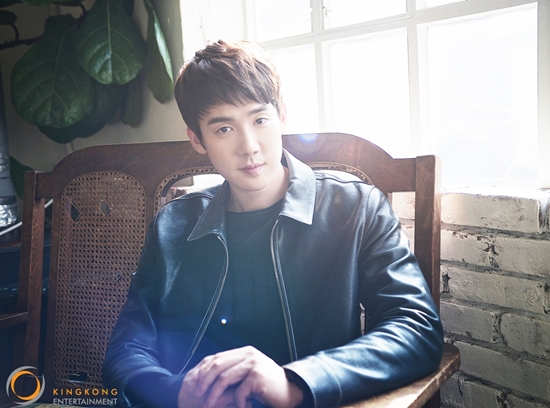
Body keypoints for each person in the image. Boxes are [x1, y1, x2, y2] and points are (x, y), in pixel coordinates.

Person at [102, 39, 443, 408]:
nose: (249, 146)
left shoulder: (356, 208)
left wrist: (295, 382)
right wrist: (176, 392)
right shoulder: (173, 225)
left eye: (260, 120)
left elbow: (416, 328)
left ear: (281, 116)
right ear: (197, 140)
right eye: (224, 129)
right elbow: (127, 348)